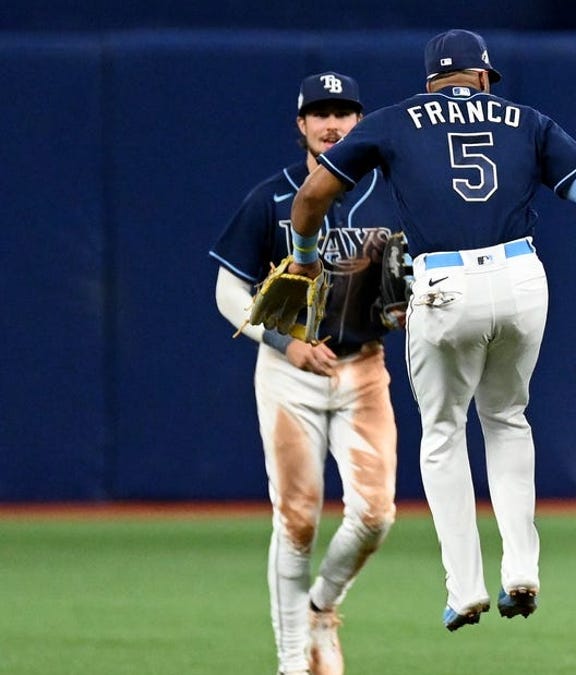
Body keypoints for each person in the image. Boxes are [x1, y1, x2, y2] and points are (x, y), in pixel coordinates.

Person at [283, 29, 576, 631]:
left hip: (444, 283)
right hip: (522, 278)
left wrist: (302, 255)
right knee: (507, 420)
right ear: (481, 77)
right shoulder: (525, 118)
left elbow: (314, 193)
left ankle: (466, 587)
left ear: (432, 83)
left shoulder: (396, 121)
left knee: (445, 432)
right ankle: (522, 569)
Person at [210, 71, 402, 674]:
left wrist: (410, 303)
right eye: (319, 113)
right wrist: (283, 341)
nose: (332, 123)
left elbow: (413, 284)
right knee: (296, 520)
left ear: (359, 122)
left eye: (343, 112)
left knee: (376, 516)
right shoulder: (273, 196)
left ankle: (324, 605)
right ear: (301, 125)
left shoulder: (392, 193)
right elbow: (227, 290)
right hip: (289, 373)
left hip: (363, 368)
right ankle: (294, 661)